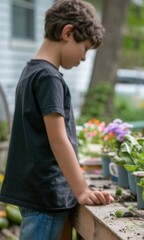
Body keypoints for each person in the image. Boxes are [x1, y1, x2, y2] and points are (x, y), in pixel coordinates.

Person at [0, 1, 113, 239]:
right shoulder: (48, 78)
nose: (84, 57)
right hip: (46, 197)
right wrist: (81, 190)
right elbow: (58, 138)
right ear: (67, 32)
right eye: (84, 48)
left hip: (35, 192)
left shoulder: (31, 71)